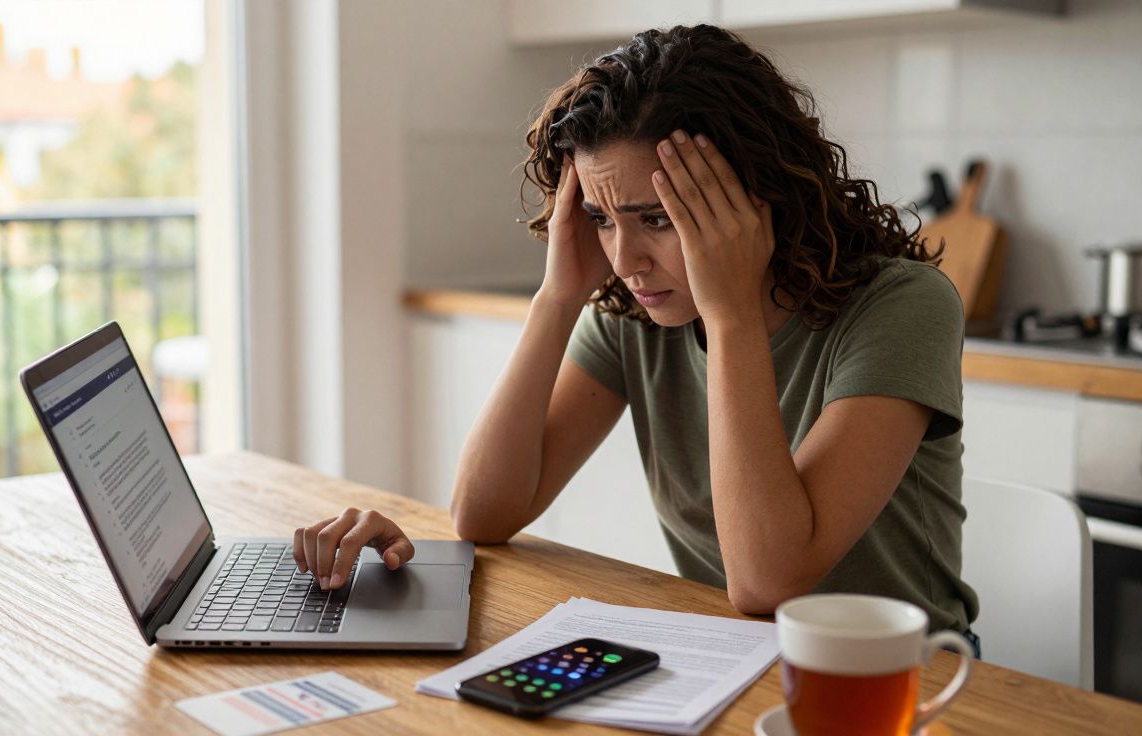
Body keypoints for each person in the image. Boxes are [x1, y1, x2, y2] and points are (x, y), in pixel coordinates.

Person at [291, 23, 980, 641]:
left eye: (657, 219)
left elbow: (770, 581)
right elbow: (483, 512)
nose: (625, 260)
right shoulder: (640, 311)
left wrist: (731, 313)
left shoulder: (901, 307)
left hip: (907, 678)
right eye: (600, 218)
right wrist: (557, 298)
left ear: (755, 196)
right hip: (736, 656)